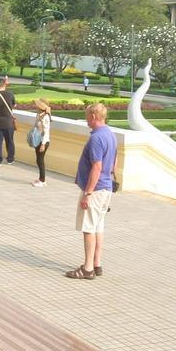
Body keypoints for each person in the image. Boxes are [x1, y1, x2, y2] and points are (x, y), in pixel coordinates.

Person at [66, 103, 117, 279]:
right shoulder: (110, 134)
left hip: (95, 190)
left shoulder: (96, 138)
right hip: (106, 188)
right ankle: (97, 263)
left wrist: (88, 193)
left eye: (87, 116)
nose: (86, 119)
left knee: (88, 228)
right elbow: (113, 163)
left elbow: (97, 167)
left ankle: (87, 269)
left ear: (94, 117)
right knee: (98, 227)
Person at [32, 97, 52, 187]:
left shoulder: (45, 117)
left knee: (40, 160)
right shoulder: (40, 114)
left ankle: (42, 180)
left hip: (43, 141)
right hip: (38, 140)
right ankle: (40, 178)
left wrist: (43, 144)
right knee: (38, 159)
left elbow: (46, 131)